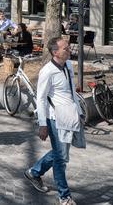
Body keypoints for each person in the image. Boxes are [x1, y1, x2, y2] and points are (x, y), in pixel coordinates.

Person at [25, 37, 84, 205]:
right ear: (55, 52)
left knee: (60, 154)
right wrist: (42, 124)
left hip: (69, 117)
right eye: (65, 48)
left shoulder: (69, 66)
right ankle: (64, 196)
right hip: (54, 119)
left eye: (68, 47)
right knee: (61, 158)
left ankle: (34, 172)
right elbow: (41, 99)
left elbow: (72, 92)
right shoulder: (47, 71)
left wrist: (79, 113)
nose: (69, 50)